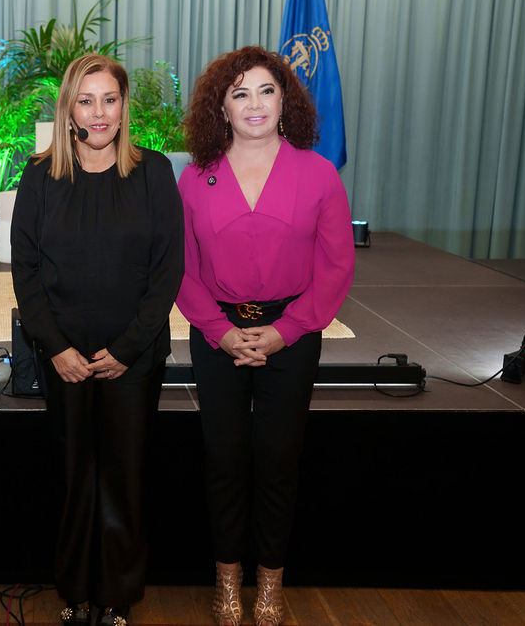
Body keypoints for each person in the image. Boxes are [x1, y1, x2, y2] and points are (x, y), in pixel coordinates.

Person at [175, 45, 355, 626]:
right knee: (224, 460)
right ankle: (228, 578)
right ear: (221, 108)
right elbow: (181, 268)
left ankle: (271, 582)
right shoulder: (194, 178)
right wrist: (220, 331)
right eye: (240, 93)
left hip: (293, 335)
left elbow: (336, 265)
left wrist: (287, 329)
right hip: (216, 336)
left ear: (285, 101)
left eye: (266, 90)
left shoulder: (319, 174)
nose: (254, 103)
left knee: (278, 460)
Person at [10, 53, 184, 626]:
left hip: (133, 356)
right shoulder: (39, 175)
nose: (99, 112)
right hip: (63, 357)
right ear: (69, 109)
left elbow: (168, 271)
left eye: (109, 99)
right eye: (86, 101)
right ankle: (76, 591)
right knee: (73, 476)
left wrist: (129, 349)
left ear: (124, 106)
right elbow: (25, 273)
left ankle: (117, 595)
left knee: (123, 476)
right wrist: (57, 348)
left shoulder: (154, 172)